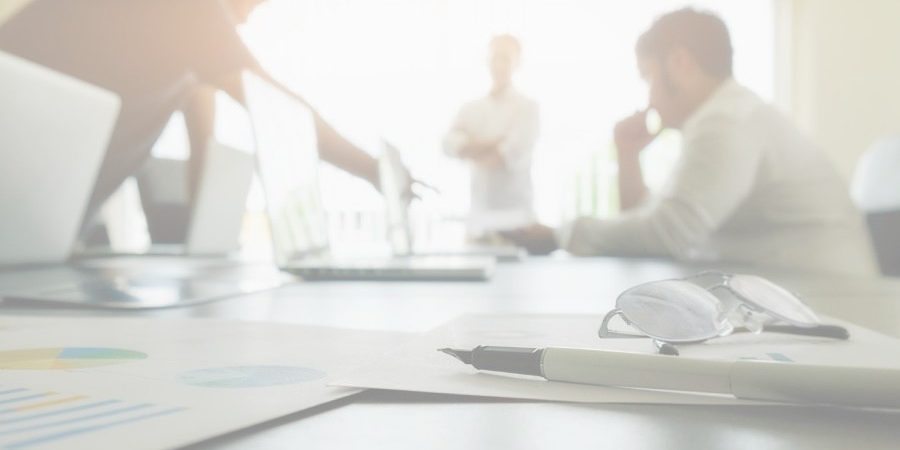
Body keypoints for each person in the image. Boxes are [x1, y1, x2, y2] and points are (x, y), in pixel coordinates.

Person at [504, 8, 878, 276]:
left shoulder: (726, 122)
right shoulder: (724, 117)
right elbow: (653, 219)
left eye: (648, 75)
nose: (648, 97)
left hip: (831, 303)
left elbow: (669, 233)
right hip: (807, 293)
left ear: (680, 62)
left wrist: (561, 233)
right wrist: (628, 157)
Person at [0, 0, 404, 240]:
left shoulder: (188, 59)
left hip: (43, 222)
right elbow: (276, 105)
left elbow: (204, 146)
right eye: (249, 3)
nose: (245, 20)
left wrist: (198, 236)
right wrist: (374, 170)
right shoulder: (188, 10)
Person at [443, 34, 540, 236]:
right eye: (495, 57)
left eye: (505, 57)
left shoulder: (528, 108)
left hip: (518, 222)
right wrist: (494, 143)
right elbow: (448, 145)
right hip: (478, 220)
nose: (499, 64)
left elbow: (502, 158)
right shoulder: (470, 108)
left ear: (518, 62)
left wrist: (470, 147)